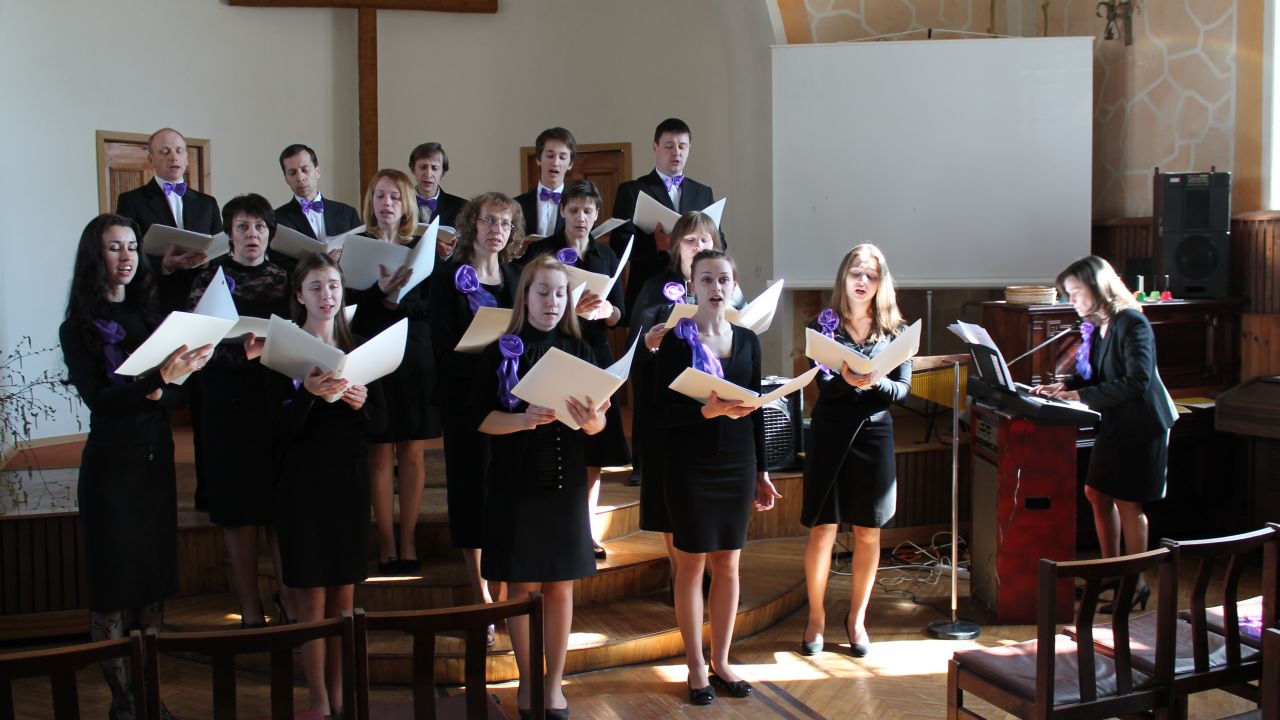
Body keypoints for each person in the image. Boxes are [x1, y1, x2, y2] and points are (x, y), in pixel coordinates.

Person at [61, 214, 212, 720]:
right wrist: (157, 381)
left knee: (151, 587)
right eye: (114, 248)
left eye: (131, 247)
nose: (126, 257)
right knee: (113, 591)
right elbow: (100, 400)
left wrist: (172, 380)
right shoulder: (76, 327)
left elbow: (174, 399)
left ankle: (150, 696)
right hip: (112, 468)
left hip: (154, 463)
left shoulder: (152, 317)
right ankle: (124, 704)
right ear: (95, 256)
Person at [473, 254, 609, 720]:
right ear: (525, 297)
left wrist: (591, 421)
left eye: (560, 292)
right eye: (542, 291)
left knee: (559, 586)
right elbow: (481, 420)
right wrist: (523, 419)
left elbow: (599, 426)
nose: (552, 300)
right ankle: (528, 680)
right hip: (515, 483)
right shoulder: (500, 350)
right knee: (521, 587)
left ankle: (554, 686)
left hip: (564, 485)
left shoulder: (580, 350)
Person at [653, 249, 779, 706]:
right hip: (690, 465)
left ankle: (722, 661)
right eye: (706, 279)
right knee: (691, 567)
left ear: (734, 285)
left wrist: (762, 470)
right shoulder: (675, 341)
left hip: (738, 465)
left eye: (724, 279)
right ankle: (694, 666)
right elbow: (659, 413)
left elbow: (757, 411)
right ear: (692, 286)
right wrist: (702, 413)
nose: (716, 287)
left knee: (728, 565)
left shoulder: (748, 340)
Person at [270, 252, 386, 717]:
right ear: (299, 295)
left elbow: (380, 425)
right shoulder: (283, 352)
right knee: (312, 598)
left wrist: (361, 405)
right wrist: (309, 396)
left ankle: (341, 696)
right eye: (316, 287)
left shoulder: (360, 349)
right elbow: (275, 432)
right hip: (303, 485)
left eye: (333, 286)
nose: (327, 295)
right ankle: (318, 699)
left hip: (349, 482)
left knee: (344, 597)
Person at [1032, 255, 1177, 612]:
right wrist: (1064, 386)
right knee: (1096, 492)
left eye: (1076, 292)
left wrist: (1079, 396)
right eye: (1068, 294)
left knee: (1128, 501)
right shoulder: (1099, 325)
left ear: (1098, 288)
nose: (1071, 301)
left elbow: (1137, 380)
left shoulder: (1132, 322)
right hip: (1116, 421)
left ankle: (1135, 582)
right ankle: (1110, 570)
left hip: (1143, 424)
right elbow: (1096, 375)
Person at [800, 244, 912, 659]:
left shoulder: (896, 331)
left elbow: (902, 390)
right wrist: (848, 381)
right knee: (823, 529)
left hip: (874, 435)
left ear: (881, 283)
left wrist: (876, 382)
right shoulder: (823, 325)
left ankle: (857, 619)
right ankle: (816, 618)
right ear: (843, 279)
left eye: (871, 275)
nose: (862, 281)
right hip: (830, 433)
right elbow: (824, 387)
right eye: (855, 273)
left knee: (868, 531)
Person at [186, 194, 294, 628]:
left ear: (271, 232)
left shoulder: (286, 279)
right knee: (238, 509)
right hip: (226, 403)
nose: (252, 234)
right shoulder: (208, 280)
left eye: (260, 227)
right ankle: (249, 606)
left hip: (275, 401)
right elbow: (195, 347)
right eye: (243, 227)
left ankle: (289, 600)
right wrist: (241, 355)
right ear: (229, 233)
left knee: (280, 507)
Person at [429, 192, 524, 636]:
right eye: (488, 221)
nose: (496, 230)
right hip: (465, 401)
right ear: (472, 225)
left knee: (506, 493)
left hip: (510, 402)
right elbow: (442, 348)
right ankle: (480, 596)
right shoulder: (447, 278)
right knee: (471, 494)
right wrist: (488, 364)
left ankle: (503, 591)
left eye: (505, 224)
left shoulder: (517, 278)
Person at [520, 179, 629, 559]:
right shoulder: (543, 252)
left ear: (597, 215)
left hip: (593, 349)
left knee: (591, 441)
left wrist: (607, 310)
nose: (581, 217)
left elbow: (620, 314)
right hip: (552, 346)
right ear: (562, 212)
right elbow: (526, 301)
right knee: (550, 434)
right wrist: (569, 306)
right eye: (574, 210)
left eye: (588, 211)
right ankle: (549, 523)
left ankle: (586, 528)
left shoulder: (605, 255)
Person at [626, 211, 732, 568]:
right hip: (668, 410)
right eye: (690, 240)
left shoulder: (726, 288)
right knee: (669, 500)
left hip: (713, 409)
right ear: (676, 247)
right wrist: (650, 342)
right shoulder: (655, 287)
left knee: (708, 498)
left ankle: (708, 572)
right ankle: (680, 571)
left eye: (705, 239)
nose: (698, 245)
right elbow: (635, 348)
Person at [346, 169, 437, 575]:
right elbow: (349, 307)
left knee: (413, 453)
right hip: (373, 354)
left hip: (414, 356)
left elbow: (430, 307)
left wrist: (396, 298)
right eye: (380, 196)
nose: (386, 204)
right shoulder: (357, 246)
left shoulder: (421, 249)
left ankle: (408, 539)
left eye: (395, 197)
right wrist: (379, 294)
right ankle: (385, 542)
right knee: (380, 451)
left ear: (406, 204)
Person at [612, 118, 720, 315]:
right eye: (669, 146)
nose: (676, 152)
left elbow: (721, 242)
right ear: (655, 147)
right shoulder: (633, 190)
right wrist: (655, 245)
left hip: (697, 294)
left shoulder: (703, 193)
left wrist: (704, 242)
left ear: (689, 148)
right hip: (649, 295)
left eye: (682, 146)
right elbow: (619, 245)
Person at [114, 127, 222, 313]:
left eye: (179, 151)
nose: (173, 157)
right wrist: (164, 265)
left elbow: (221, 250)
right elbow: (126, 252)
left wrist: (205, 261)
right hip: (154, 299)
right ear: (151, 159)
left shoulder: (207, 203)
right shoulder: (131, 201)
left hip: (201, 299)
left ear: (186, 158)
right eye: (165, 151)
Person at [273, 143, 362, 273]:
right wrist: (319, 265)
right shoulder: (277, 219)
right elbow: (279, 265)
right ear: (286, 179)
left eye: (305, 170)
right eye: (292, 173)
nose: (300, 177)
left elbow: (360, 258)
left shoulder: (348, 213)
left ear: (317, 171)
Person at [514, 127, 574, 239]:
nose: (556, 162)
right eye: (550, 156)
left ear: (570, 164)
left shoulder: (577, 205)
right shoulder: (516, 205)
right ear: (538, 159)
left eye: (562, 157)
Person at [408, 142, 467, 253]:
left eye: (434, 168)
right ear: (413, 169)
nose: (428, 174)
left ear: (443, 172)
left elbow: (467, 252)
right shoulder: (399, 205)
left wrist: (446, 256)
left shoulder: (462, 208)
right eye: (423, 167)